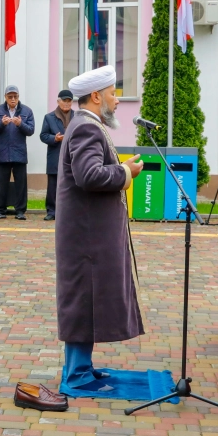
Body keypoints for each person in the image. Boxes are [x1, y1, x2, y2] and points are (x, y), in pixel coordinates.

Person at [44, 65, 145, 410]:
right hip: (86, 238)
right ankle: (76, 374)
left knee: (84, 300)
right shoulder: (86, 128)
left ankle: (80, 367)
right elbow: (89, 176)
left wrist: (120, 168)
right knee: (82, 301)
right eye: (114, 94)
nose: (117, 101)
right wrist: (126, 172)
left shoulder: (87, 125)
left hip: (87, 235)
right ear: (97, 96)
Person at [0, 85, 35, 220]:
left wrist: (20, 124)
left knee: (21, 184)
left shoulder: (27, 111)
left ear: (18, 97)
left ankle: (20, 211)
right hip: (3, 152)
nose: (13, 99)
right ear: (5, 98)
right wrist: (1, 123)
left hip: (19, 153)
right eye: (10, 97)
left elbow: (31, 130)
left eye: (15, 96)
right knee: (2, 183)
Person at [39, 89, 74, 221]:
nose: (66, 103)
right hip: (55, 155)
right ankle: (51, 211)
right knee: (53, 186)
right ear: (58, 102)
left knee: (71, 185)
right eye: (64, 101)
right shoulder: (49, 117)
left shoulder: (77, 116)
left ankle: (69, 211)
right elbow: (43, 136)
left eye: (69, 101)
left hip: (71, 156)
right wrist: (55, 138)